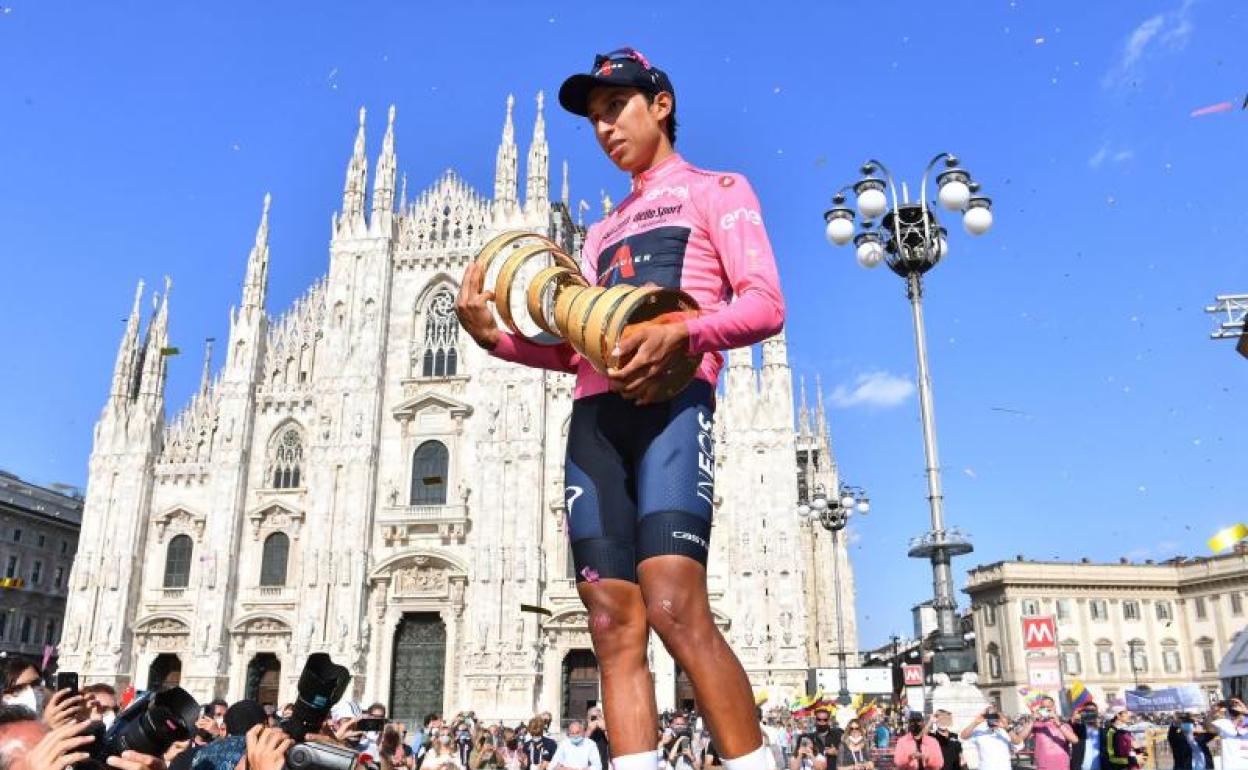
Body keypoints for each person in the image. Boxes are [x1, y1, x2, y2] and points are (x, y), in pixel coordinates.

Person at [458, 46, 785, 770]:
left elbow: (765, 305)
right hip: (595, 422)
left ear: (660, 105)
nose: (605, 129)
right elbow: (584, 351)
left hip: (673, 409)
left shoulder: (717, 191)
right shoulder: (599, 236)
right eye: (595, 118)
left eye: (616, 109)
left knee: (672, 602)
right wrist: (499, 342)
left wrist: (682, 331)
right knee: (609, 620)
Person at [1016, 698, 1079, 770]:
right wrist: (1032, 720)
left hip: (1063, 766)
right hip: (1044, 766)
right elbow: (1019, 739)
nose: (1047, 709)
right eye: (1044, 707)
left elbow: (1075, 740)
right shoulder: (1037, 725)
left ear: (1054, 707)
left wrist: (1058, 724)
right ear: (1040, 709)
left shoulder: (1065, 725)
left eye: (1050, 706)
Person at [1069, 703, 1106, 770]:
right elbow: (1067, 728)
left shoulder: (1103, 729)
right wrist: (1073, 718)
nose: (1090, 713)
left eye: (1093, 711)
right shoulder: (1078, 728)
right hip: (1081, 766)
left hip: (1101, 766)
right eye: (1087, 711)